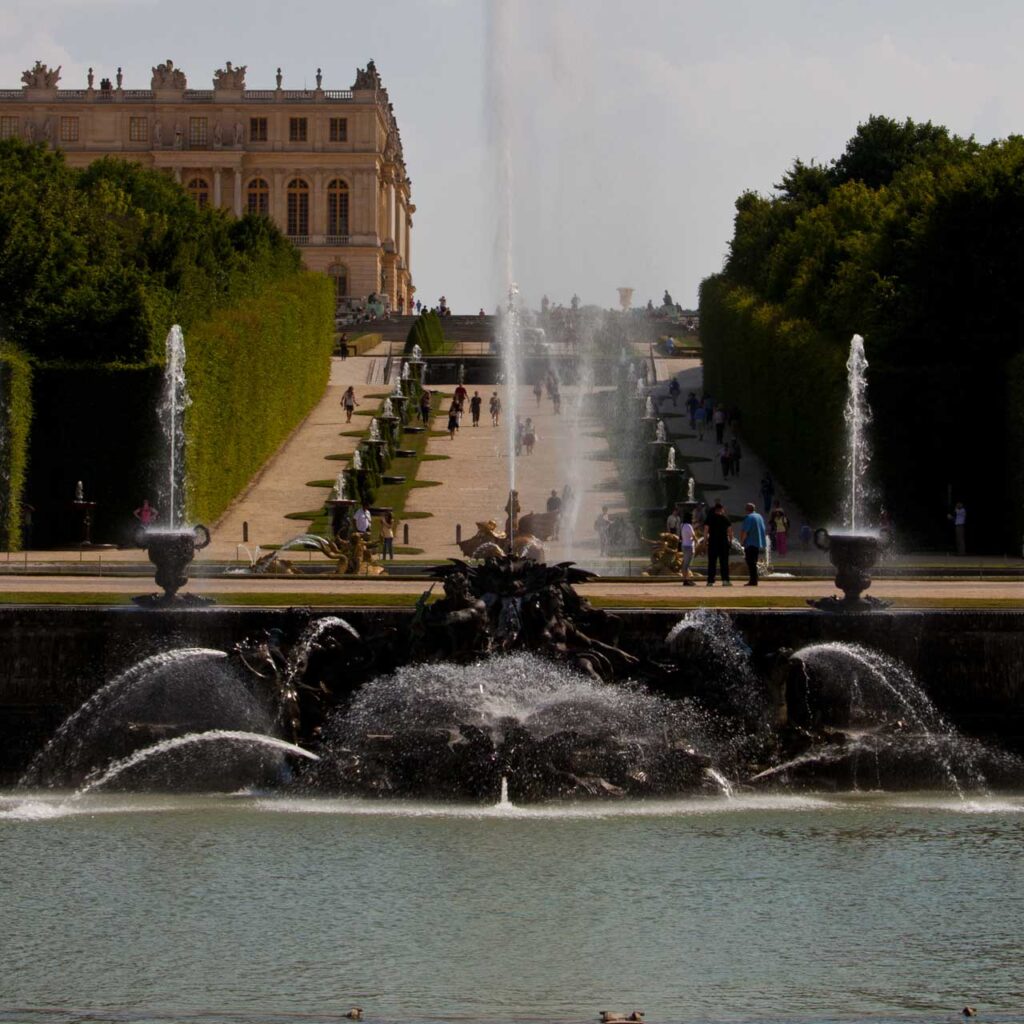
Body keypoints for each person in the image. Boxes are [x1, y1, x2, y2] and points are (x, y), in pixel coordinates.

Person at [704, 500, 733, 586]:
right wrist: (730, 540)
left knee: (712, 562)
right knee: (724, 562)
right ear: (722, 509)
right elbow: (730, 531)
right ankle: (725, 580)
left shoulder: (710, 518)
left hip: (713, 542)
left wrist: (705, 541)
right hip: (723, 542)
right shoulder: (725, 518)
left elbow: (706, 530)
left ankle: (710, 581)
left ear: (715, 509)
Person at [739, 501, 767, 586]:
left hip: (750, 543)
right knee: (754, 561)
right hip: (757, 542)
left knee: (750, 562)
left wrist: (742, 542)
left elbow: (745, 531)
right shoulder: (759, 516)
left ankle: (753, 580)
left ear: (747, 510)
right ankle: (755, 579)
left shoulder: (749, 517)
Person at [679, 512, 697, 586]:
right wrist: (696, 541)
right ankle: (687, 580)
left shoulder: (682, 525)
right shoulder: (689, 526)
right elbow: (693, 536)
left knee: (685, 564)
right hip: (689, 546)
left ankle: (686, 579)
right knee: (687, 565)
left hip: (684, 545)